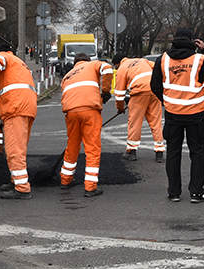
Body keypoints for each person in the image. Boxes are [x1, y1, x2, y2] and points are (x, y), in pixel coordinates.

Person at [150, 27, 204, 203]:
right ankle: (196, 193)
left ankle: (174, 192)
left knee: (173, 152)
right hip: (195, 114)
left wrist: (167, 101)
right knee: (197, 153)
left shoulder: (163, 59)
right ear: (192, 41)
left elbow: (154, 85)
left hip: (172, 114)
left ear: (173, 39)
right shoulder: (200, 59)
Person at [0, 45, 38, 200]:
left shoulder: (3, 56)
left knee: (14, 150)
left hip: (16, 108)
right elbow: (8, 94)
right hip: (25, 107)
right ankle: (15, 181)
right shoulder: (18, 64)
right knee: (18, 148)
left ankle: (22, 188)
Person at [59, 52, 113, 198]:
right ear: (87, 60)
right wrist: (105, 92)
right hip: (89, 110)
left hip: (70, 112)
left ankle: (65, 180)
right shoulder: (92, 65)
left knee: (73, 145)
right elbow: (108, 69)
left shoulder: (67, 76)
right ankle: (90, 187)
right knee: (92, 147)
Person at [112, 54, 165, 162]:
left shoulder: (122, 68)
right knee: (156, 122)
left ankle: (131, 151)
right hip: (155, 92)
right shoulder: (142, 60)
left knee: (135, 122)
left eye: (115, 66)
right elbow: (159, 67)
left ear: (117, 63)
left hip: (139, 93)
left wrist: (120, 107)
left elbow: (119, 93)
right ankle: (159, 152)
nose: (116, 68)